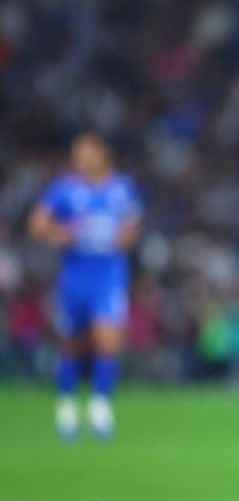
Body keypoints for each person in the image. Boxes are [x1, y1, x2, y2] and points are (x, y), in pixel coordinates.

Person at [28, 132, 143, 440]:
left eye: (85, 153)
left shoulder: (122, 189)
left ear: (102, 153)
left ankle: (100, 409)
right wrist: (59, 233)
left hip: (108, 277)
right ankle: (66, 409)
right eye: (76, 154)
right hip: (75, 277)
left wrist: (121, 238)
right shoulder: (65, 190)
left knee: (108, 340)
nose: (79, 159)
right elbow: (38, 225)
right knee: (73, 346)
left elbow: (132, 229)